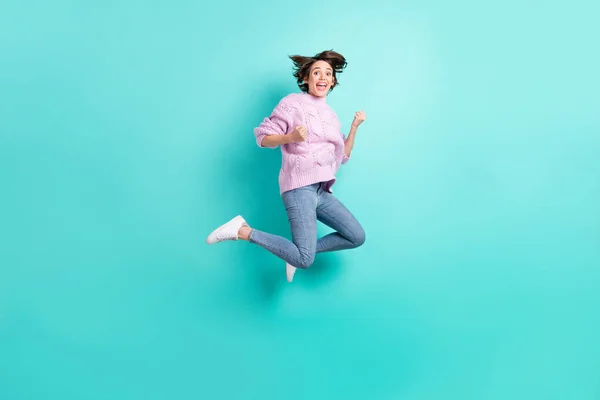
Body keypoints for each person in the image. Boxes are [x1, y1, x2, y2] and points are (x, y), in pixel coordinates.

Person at [206, 50, 366, 283]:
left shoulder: (331, 116)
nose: (323, 76)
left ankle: (293, 254)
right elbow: (263, 137)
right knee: (305, 259)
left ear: (332, 81)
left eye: (328, 73)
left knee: (356, 236)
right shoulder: (292, 104)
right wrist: (289, 137)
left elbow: (343, 154)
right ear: (306, 78)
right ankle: (243, 230)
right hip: (299, 187)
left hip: (321, 190)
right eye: (317, 72)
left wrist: (354, 128)